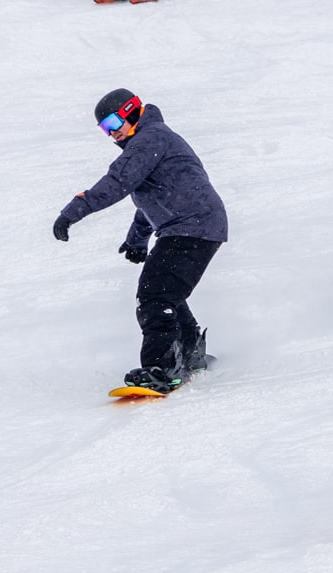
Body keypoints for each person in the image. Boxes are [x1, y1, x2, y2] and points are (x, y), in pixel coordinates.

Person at [52, 89, 227, 392]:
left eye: (112, 123)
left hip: (192, 226)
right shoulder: (151, 141)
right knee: (164, 291)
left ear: (131, 111)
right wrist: (137, 239)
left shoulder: (150, 138)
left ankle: (162, 368)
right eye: (104, 129)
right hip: (194, 225)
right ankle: (189, 352)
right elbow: (155, 198)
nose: (111, 134)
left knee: (154, 296)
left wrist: (74, 211)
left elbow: (118, 181)